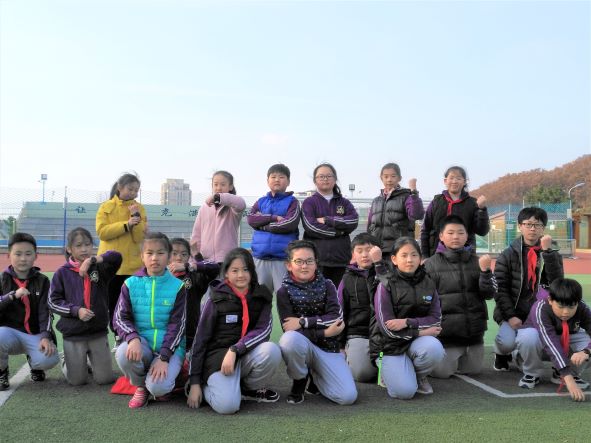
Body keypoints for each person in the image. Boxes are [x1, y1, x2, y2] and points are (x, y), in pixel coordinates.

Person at [187, 248, 281, 414]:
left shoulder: (262, 296)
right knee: (227, 406)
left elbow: (263, 330)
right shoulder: (216, 298)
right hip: (217, 360)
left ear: (252, 271)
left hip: (242, 353)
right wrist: (195, 382)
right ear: (226, 274)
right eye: (235, 270)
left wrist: (235, 349)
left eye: (245, 269)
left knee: (271, 350)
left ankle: (247, 389)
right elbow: (200, 339)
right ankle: (204, 385)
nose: (241, 275)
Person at [277, 240, 357, 405]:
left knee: (347, 397)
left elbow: (336, 319)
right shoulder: (283, 291)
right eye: (299, 261)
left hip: (328, 349)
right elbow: (290, 330)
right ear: (289, 265)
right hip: (305, 344)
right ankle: (300, 380)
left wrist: (303, 321)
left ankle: (317, 378)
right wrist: (325, 332)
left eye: (309, 261)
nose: (304, 266)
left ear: (316, 263)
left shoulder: (328, 285)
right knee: (289, 340)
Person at [113, 232, 186, 409]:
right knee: (123, 353)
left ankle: (167, 380)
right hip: (142, 344)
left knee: (159, 388)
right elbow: (120, 317)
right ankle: (141, 386)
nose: (155, 258)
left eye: (160, 253)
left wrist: (164, 357)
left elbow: (178, 326)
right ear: (142, 257)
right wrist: (133, 338)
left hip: (170, 348)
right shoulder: (130, 284)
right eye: (149, 253)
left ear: (168, 256)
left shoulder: (178, 286)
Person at [371, 237, 445, 399]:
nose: (409, 260)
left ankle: (418, 376)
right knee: (405, 392)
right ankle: (388, 372)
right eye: (404, 255)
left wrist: (407, 322)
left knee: (434, 348)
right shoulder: (385, 284)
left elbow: (435, 320)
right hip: (389, 346)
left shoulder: (428, 283)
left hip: (414, 343)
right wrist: (420, 332)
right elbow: (386, 329)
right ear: (394, 259)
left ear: (420, 258)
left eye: (414, 255)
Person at [424, 215, 496, 378]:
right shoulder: (430, 264)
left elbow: (489, 294)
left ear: (467, 235)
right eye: (450, 233)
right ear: (441, 236)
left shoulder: (477, 262)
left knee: (474, 370)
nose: (455, 236)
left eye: (460, 232)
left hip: (474, 334)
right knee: (442, 374)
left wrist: (485, 272)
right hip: (446, 335)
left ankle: (465, 355)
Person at [493, 207, 564, 371]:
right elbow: (500, 289)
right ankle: (501, 353)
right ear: (520, 226)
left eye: (537, 225)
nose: (533, 229)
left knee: (545, 340)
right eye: (528, 224)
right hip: (514, 312)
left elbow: (558, 283)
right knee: (507, 343)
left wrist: (548, 253)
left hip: (540, 312)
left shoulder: (552, 253)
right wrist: (510, 316)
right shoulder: (507, 255)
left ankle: (521, 354)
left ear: (543, 228)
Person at [49, 228, 122, 386]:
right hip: (73, 334)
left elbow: (117, 257)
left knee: (105, 379)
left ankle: (88, 361)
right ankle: (66, 360)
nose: (84, 249)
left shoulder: (99, 269)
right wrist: (76, 311)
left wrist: (92, 260)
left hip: (97, 332)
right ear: (69, 249)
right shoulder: (62, 273)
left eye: (88, 244)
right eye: (79, 245)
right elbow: (53, 301)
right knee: (77, 381)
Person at [515, 278, 590, 401]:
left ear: (578, 302)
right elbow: (550, 342)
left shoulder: (581, 306)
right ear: (550, 300)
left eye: (571, 307)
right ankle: (531, 372)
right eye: (561, 307)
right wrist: (568, 379)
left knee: (587, 342)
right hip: (542, 339)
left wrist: (587, 351)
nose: (566, 312)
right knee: (528, 337)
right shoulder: (540, 308)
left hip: (568, 336)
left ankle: (565, 373)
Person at [0, 233, 59, 390]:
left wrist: (45, 337)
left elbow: (46, 311)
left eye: (28, 254)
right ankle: (2, 371)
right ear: (8, 255)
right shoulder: (2, 279)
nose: (23, 259)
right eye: (18, 254)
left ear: (35, 256)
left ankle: (35, 365)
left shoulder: (42, 281)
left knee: (49, 359)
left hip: (35, 334)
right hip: (9, 334)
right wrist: (11, 296)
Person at [96, 172, 146, 344]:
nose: (134, 193)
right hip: (109, 267)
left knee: (133, 305)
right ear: (120, 187)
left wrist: (136, 217)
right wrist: (126, 225)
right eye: (130, 189)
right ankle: (118, 337)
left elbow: (138, 238)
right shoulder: (106, 207)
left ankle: (132, 335)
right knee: (112, 304)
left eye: (136, 190)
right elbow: (102, 232)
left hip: (132, 266)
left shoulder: (139, 208)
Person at [337, 233, 385, 382]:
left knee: (392, 372)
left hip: (385, 333)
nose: (364, 255)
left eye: (369, 250)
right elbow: (341, 311)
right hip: (358, 333)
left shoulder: (387, 273)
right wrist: (340, 344)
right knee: (362, 374)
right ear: (353, 255)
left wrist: (379, 265)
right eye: (359, 250)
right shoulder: (346, 279)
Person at [301, 163, 359, 287]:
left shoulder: (344, 202)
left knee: (339, 296)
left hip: (341, 260)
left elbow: (353, 221)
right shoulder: (309, 202)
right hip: (316, 261)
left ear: (335, 179)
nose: (325, 179)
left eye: (329, 176)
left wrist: (328, 220)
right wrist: (339, 232)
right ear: (315, 180)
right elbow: (311, 227)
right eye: (321, 176)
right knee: (316, 296)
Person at [247, 163, 300, 293]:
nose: (277, 180)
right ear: (268, 181)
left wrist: (263, 226)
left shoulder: (293, 202)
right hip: (260, 258)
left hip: (283, 259)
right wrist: (274, 218)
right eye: (273, 177)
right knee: (259, 298)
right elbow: (251, 219)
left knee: (285, 298)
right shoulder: (261, 201)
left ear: (288, 181)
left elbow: (289, 223)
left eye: (281, 177)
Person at [420, 166, 489, 258]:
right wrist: (424, 256)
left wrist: (482, 210)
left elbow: (482, 231)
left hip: (465, 257)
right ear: (445, 181)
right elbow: (425, 230)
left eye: (458, 178)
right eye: (451, 178)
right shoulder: (436, 202)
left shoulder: (472, 203)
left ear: (464, 182)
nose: (454, 181)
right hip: (437, 256)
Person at [168, 237, 219, 351]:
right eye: (174, 253)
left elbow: (214, 267)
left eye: (184, 254)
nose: (179, 257)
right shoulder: (162, 277)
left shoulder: (193, 277)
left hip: (189, 337)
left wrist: (195, 256)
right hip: (167, 337)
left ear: (188, 257)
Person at [367, 163, 424, 260]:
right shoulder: (376, 201)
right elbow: (370, 225)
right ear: (381, 178)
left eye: (393, 176)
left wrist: (414, 192)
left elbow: (417, 215)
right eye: (386, 176)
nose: (389, 179)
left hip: (399, 250)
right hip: (377, 251)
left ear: (399, 178)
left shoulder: (407, 196)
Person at [190, 170, 246, 264]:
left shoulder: (232, 208)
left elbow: (241, 204)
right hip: (205, 260)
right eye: (215, 184)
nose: (219, 188)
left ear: (230, 187)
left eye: (223, 184)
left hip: (227, 260)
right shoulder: (204, 207)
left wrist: (217, 197)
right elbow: (197, 234)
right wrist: (194, 259)